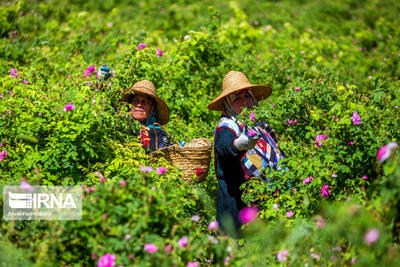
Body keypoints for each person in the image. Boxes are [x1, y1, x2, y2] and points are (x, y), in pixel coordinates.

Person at [208, 71, 285, 237]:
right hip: (238, 210)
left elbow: (277, 150)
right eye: (237, 98)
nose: (244, 102)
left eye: (247, 96)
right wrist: (238, 145)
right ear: (228, 103)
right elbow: (224, 147)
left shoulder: (260, 125)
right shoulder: (227, 127)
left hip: (267, 206)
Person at [122, 80, 171, 152]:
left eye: (144, 102)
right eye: (136, 101)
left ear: (152, 109)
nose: (139, 105)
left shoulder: (159, 135)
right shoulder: (121, 123)